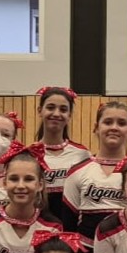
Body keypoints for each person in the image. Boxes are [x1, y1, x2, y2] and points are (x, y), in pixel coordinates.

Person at [61, 101, 127, 251]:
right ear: (96, 128)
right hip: (86, 251)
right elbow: (68, 225)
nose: (114, 127)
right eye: (108, 122)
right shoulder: (77, 171)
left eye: (121, 123)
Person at [33, 86, 91, 223]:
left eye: (63, 109)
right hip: (39, 227)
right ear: (40, 111)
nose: (56, 113)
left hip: (72, 229)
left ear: (69, 115)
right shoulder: (30, 154)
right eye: (50, 107)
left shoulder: (82, 154)